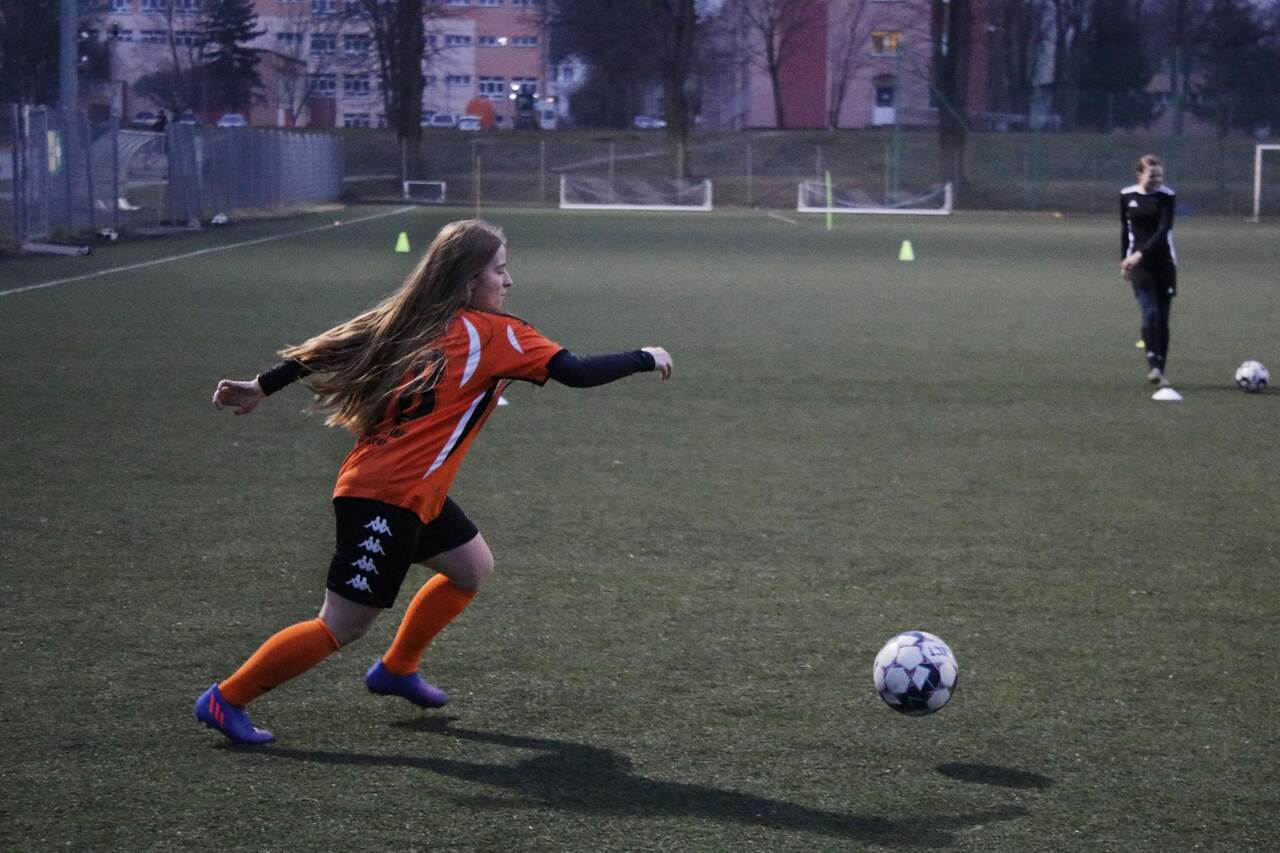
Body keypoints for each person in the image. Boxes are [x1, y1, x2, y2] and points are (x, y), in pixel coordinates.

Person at [194, 219, 673, 745]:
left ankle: (397, 668)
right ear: (468, 280)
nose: (508, 281)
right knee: (342, 624)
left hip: (410, 489)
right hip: (386, 496)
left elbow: (332, 347)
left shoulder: (412, 317)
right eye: (499, 270)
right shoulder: (497, 334)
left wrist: (263, 385)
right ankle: (227, 698)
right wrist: (645, 357)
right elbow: (575, 371)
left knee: (471, 568)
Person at [1120, 154, 1177, 387]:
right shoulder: (1126, 196)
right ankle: (1153, 365)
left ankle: (1160, 369)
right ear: (1139, 174)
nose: (1157, 180)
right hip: (1140, 267)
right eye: (1153, 175)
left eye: (1160, 176)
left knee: (1162, 319)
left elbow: (1163, 230)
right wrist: (1125, 260)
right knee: (1149, 313)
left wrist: (1138, 254)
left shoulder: (1167, 197)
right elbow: (1125, 231)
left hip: (1164, 263)